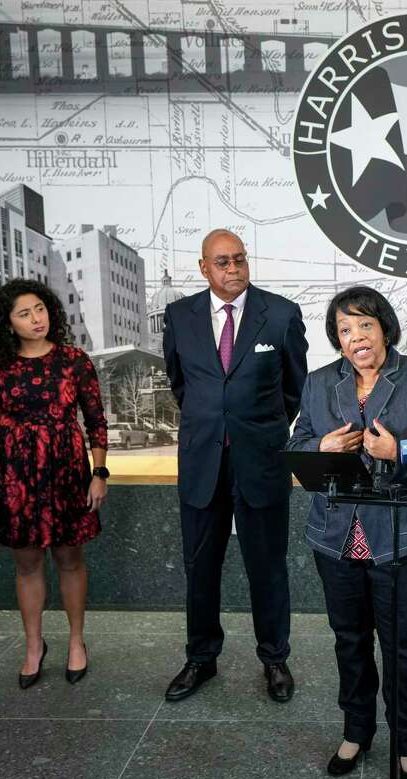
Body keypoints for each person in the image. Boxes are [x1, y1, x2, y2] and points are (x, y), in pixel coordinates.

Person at [286, 286, 407, 779]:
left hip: (401, 534)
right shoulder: (319, 384)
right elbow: (295, 446)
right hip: (336, 535)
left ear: (384, 327)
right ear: (336, 341)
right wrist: (322, 444)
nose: (355, 337)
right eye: (344, 330)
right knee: (350, 639)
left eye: (364, 325)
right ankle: (356, 730)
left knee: (403, 642)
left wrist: (400, 447)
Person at [161, 229, 308, 704]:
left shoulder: (281, 314)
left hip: (260, 461)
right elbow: (180, 384)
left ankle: (275, 658)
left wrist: (259, 428)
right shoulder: (179, 316)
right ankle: (201, 657)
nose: (233, 268)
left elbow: (295, 389)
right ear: (203, 268)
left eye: (239, 259)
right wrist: (215, 421)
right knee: (199, 566)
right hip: (203, 460)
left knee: (267, 566)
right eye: (222, 262)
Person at [0, 279, 109, 689]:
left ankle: (77, 642)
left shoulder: (74, 361)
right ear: (8, 323)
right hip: (14, 475)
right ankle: (33, 645)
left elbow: (96, 420)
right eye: (24, 313)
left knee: (70, 559)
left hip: (66, 472)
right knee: (26, 564)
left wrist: (99, 474)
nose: (36, 319)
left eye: (40, 309)